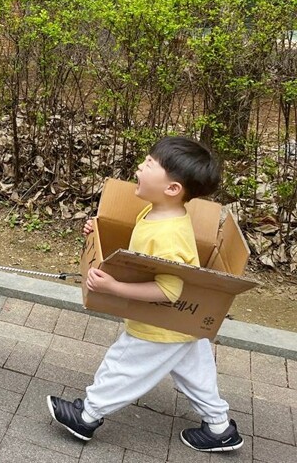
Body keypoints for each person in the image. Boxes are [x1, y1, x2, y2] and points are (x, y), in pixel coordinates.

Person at [47, 136, 243, 453]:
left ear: (172, 189)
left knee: (123, 367)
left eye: (149, 164)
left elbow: (169, 289)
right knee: (195, 373)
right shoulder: (158, 212)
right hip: (184, 324)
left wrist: (114, 288)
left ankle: (87, 416)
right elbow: (139, 255)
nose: (140, 166)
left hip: (159, 325)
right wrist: (96, 232)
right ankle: (219, 428)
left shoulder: (168, 234)